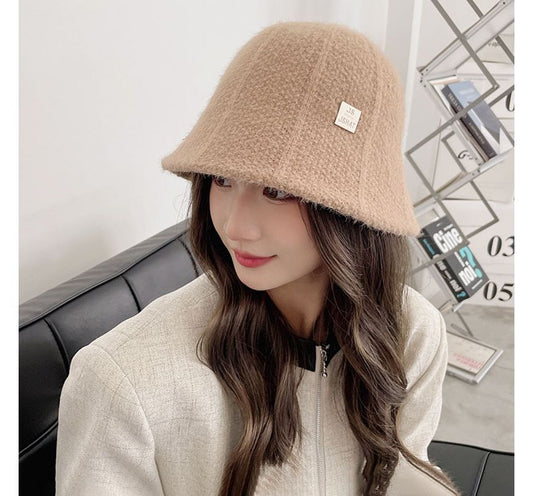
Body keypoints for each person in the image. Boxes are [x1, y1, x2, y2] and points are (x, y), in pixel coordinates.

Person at [55, 21, 461, 495]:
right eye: (222, 180)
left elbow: (400, 474)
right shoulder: (124, 381)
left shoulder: (413, 332)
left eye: (277, 191)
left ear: (353, 212)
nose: (235, 226)